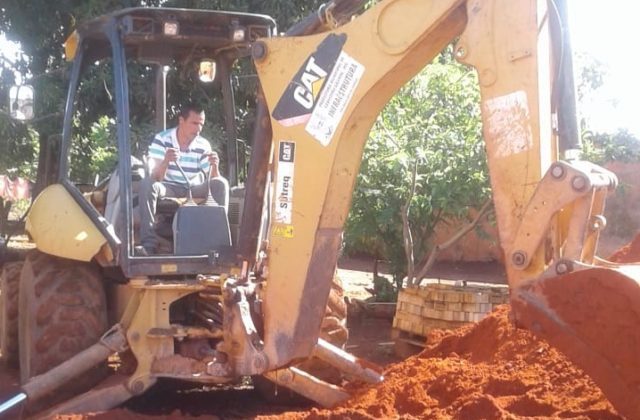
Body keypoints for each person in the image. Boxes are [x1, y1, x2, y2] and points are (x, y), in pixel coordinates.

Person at [137, 104, 229, 255]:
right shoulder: (162, 139)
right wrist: (166, 161)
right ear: (181, 121)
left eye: (201, 124)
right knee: (147, 184)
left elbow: (213, 179)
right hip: (168, 186)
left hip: (192, 187)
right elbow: (156, 177)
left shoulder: (203, 144)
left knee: (221, 184)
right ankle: (149, 244)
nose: (198, 129)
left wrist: (215, 166)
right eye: (194, 123)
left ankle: (218, 242)